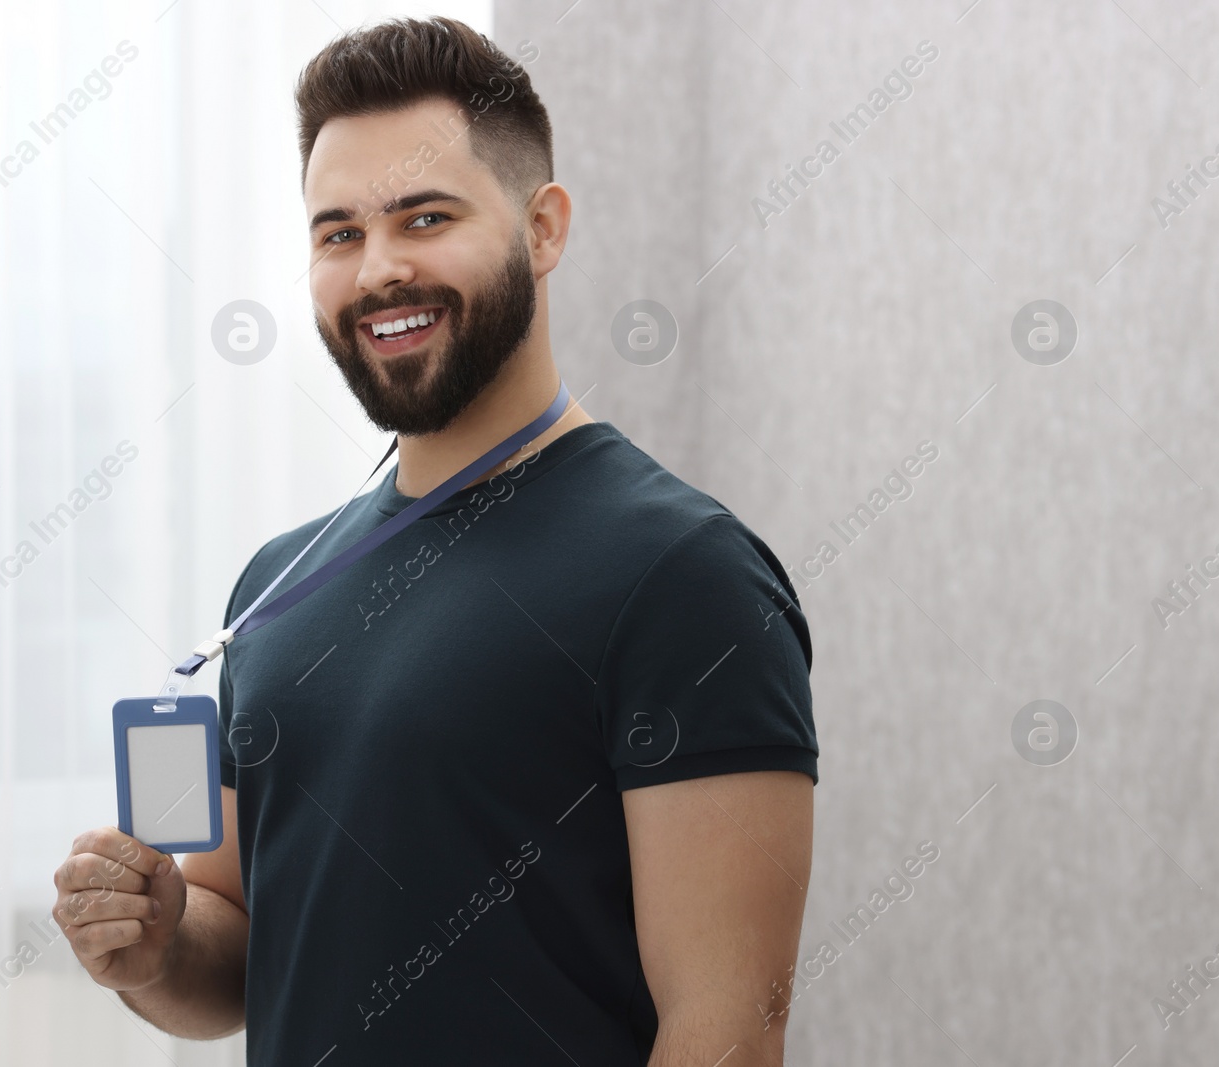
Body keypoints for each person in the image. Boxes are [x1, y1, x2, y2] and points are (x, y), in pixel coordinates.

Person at [53, 15, 818, 1064]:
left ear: (542, 228)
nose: (377, 271)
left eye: (424, 217)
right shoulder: (275, 585)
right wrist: (153, 945)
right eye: (338, 233)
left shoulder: (685, 576)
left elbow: (726, 1027)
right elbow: (232, 952)